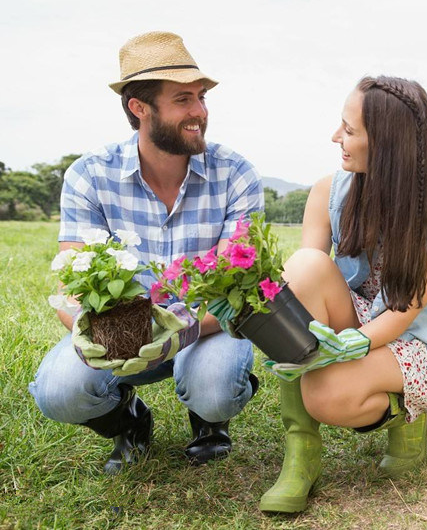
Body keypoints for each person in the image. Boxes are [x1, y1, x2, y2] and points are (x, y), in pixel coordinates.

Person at [28, 31, 263, 474]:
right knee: (59, 391)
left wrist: (175, 333)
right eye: (182, 100)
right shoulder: (90, 175)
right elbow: (71, 289)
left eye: (201, 97)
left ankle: (209, 419)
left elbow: (238, 289)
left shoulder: (235, 173)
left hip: (206, 328)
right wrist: (117, 342)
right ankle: (129, 420)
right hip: (123, 334)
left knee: (213, 387)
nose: (199, 112)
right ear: (139, 108)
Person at [259, 76, 427, 513]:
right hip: (354, 313)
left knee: (325, 396)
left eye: (350, 130)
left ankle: (409, 414)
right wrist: (269, 321)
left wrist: (352, 346)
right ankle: (301, 453)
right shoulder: (328, 191)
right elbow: (299, 289)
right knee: (303, 265)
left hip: (415, 335)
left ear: (387, 143)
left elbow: (404, 310)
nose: (336, 137)